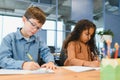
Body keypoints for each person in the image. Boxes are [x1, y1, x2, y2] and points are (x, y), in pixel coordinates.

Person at [0, 6, 57, 70]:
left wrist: (50, 62)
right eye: (33, 24)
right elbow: (2, 60)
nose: (35, 30)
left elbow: (46, 53)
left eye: (38, 28)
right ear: (24, 19)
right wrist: (22, 65)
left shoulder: (38, 40)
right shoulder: (9, 39)